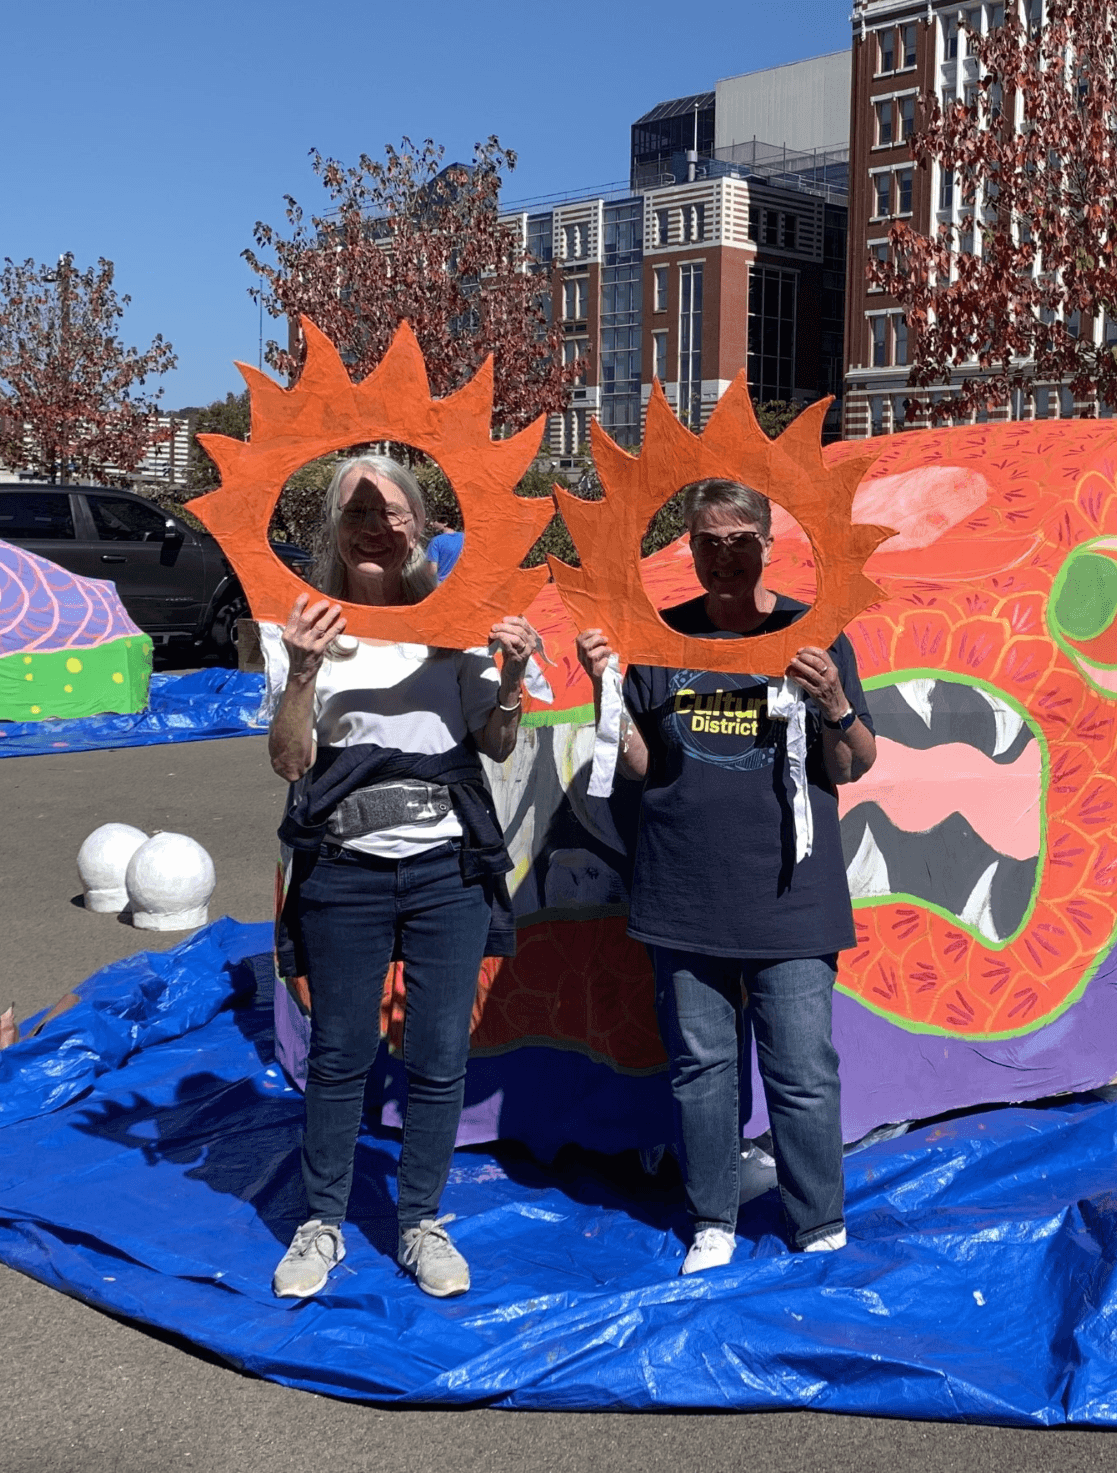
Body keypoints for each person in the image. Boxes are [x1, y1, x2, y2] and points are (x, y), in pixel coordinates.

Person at [574, 478, 877, 1274]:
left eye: (741, 540)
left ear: (770, 544)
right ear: (690, 548)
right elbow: (640, 764)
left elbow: (854, 762)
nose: (725, 556)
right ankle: (714, 1218)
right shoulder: (660, 636)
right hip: (683, 892)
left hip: (791, 896)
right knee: (701, 1071)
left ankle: (818, 1223)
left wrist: (836, 701)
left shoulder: (812, 634)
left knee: (802, 1070)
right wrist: (606, 690)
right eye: (709, 542)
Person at [268, 453, 538, 1301]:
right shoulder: (305, 625)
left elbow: (496, 742)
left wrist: (513, 678)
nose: (376, 529)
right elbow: (289, 760)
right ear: (333, 528)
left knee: (439, 1052)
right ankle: (322, 1221)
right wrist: (303, 671)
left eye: (391, 513)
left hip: (446, 871)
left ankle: (419, 1218)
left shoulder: (454, 618)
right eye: (357, 513)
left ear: (418, 522)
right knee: (339, 1052)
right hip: (342, 870)